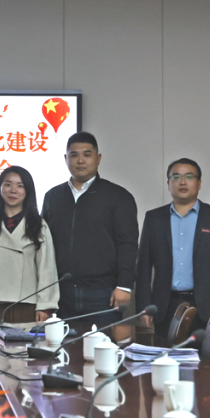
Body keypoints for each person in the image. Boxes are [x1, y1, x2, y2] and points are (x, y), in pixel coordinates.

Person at [41, 131, 138, 323]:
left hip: (103, 294)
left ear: (98, 158)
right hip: (60, 294)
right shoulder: (53, 196)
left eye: (87, 154)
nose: (80, 161)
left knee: (102, 343)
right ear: (65, 159)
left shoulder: (118, 196)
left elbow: (128, 244)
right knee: (60, 343)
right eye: (74, 155)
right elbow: (43, 245)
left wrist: (124, 286)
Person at [136, 158, 210, 338]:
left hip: (208, 310)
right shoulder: (154, 218)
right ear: (168, 184)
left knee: (205, 357)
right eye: (176, 177)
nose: (182, 182)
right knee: (166, 355)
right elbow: (143, 267)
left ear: (199, 183)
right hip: (165, 307)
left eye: (189, 176)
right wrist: (144, 307)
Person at [0, 166, 59, 324]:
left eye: (20, 186)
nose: (13, 190)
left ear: (28, 191)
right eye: (8, 184)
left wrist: (45, 305)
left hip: (26, 303)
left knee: (23, 340)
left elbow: (46, 269)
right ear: (0, 188)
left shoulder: (38, 225)